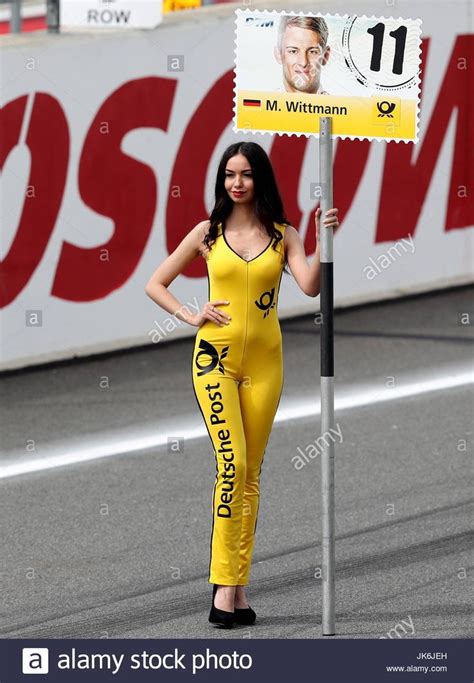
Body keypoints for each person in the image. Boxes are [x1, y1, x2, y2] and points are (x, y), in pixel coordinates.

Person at [145, 141, 339, 628]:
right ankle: (223, 594)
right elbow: (155, 282)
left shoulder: (283, 234)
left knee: (250, 474)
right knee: (232, 467)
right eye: (229, 174)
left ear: (261, 180)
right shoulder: (207, 233)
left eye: (246, 174)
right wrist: (190, 314)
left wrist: (320, 241)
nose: (237, 182)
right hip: (216, 359)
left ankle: (237, 591)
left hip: (267, 365)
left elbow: (311, 286)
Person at [273, 15, 331, 94]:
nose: (303, 62)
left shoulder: (343, 106)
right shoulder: (262, 104)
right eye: (293, 51)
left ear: (326, 56)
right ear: (278, 54)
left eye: (312, 52)